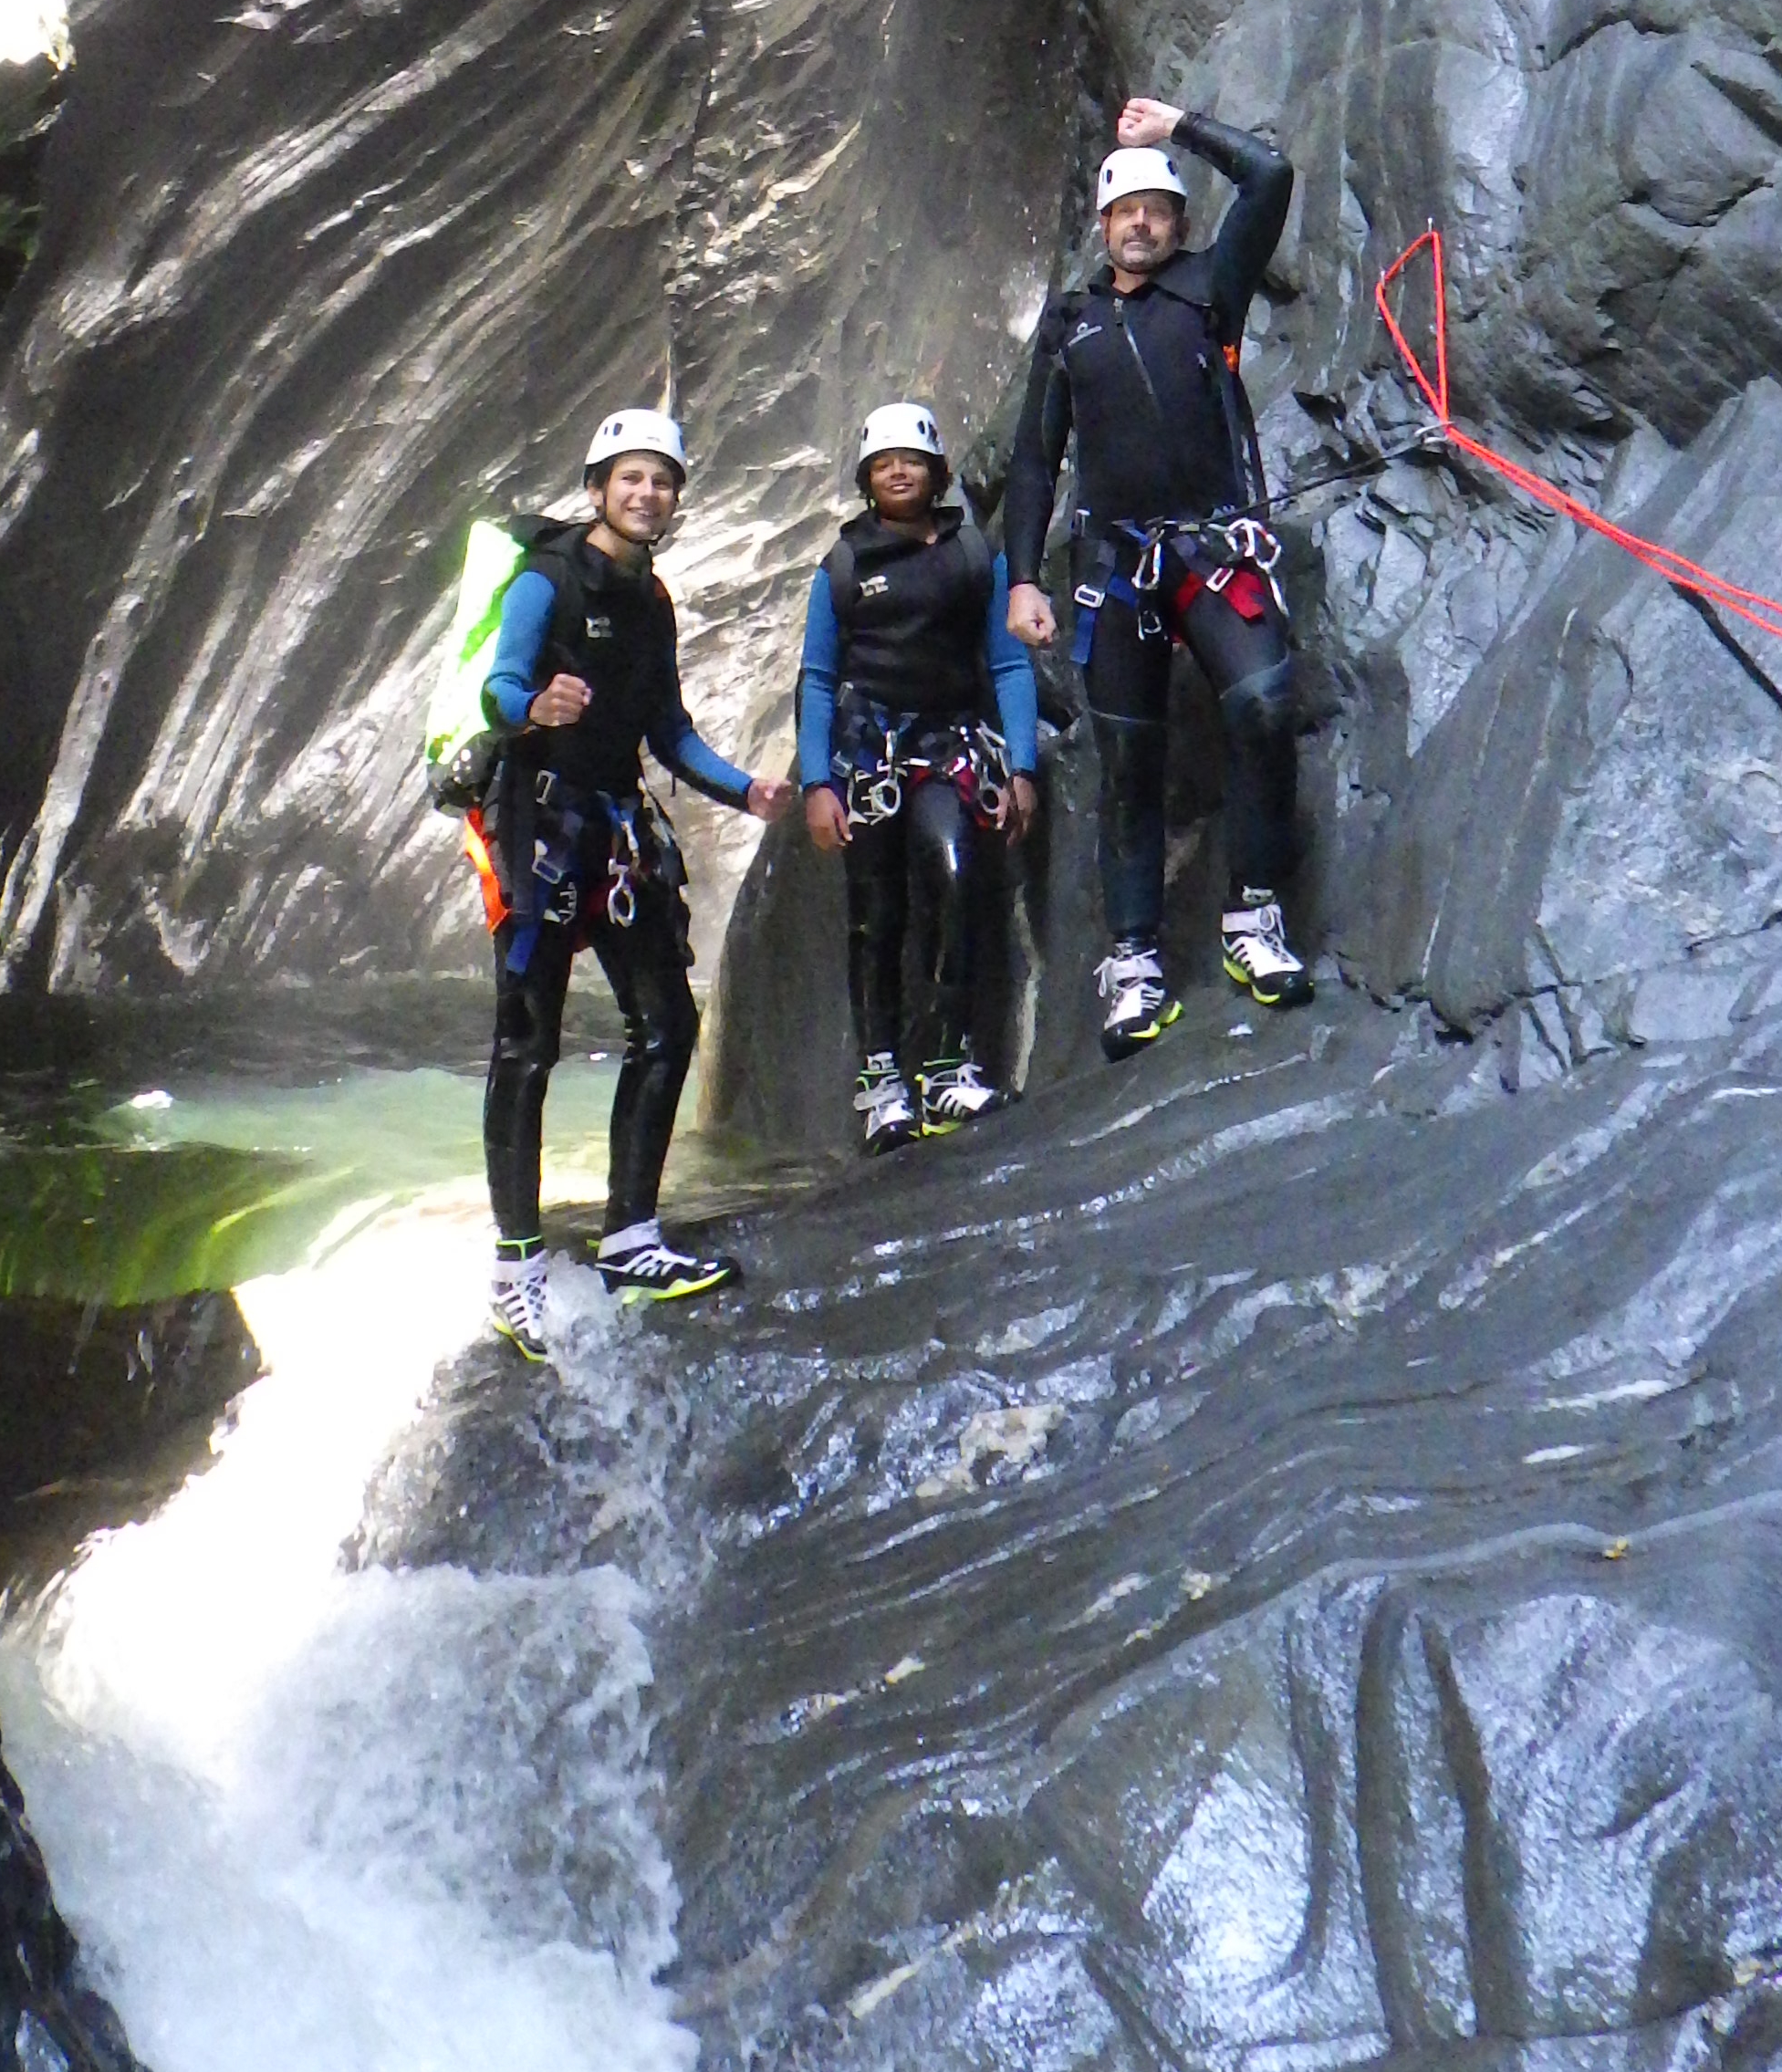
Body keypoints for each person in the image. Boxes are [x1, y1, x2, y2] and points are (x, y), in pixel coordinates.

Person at [1005, 95, 1311, 1057]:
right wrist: (1022, 578)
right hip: (1117, 565)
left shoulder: (1210, 290)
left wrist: (1177, 127)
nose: (1140, 222)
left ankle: (1254, 919)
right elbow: (1031, 460)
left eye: (1158, 210)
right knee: (1129, 766)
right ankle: (1133, 962)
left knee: (1263, 703)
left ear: (1178, 225)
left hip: (1212, 548)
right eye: (1123, 210)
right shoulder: (1070, 328)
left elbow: (1270, 177)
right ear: (1102, 228)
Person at [477, 406, 787, 1358]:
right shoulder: (547, 580)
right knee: (528, 1043)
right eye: (631, 477)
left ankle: (630, 1238)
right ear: (597, 488)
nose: (647, 492)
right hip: (538, 818)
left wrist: (751, 792)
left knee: (668, 1024)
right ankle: (516, 1270)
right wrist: (535, 705)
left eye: (662, 480)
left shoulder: (652, 600)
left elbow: (670, 732)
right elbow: (497, 688)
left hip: (613, 824)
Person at [798, 399, 1040, 1151]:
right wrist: (817, 783)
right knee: (876, 914)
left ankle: (945, 1067)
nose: (897, 470)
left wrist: (1022, 765)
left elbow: (1007, 662)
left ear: (937, 472)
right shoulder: (841, 568)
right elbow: (815, 679)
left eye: (911, 459)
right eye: (882, 462)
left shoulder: (975, 557)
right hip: (867, 752)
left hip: (948, 744)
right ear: (867, 478)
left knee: (958, 873)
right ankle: (880, 1084)